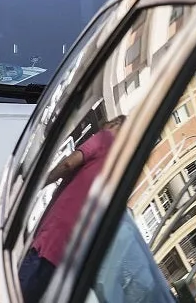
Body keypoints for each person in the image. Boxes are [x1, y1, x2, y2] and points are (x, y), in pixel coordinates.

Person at [19, 115, 126, 303]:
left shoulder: (105, 139)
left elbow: (69, 163)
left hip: (54, 234)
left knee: (17, 291)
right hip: (70, 252)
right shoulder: (119, 168)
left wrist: (41, 182)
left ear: (114, 124)